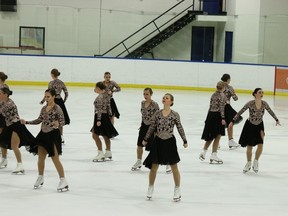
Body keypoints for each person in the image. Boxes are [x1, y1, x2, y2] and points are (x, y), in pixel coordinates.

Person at [143, 93, 188, 202]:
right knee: (154, 167)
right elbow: (152, 127)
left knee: (174, 167)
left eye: (166, 98)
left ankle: (177, 189)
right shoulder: (157, 114)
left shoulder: (175, 114)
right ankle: (150, 187)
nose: (164, 99)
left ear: (171, 102)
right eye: (163, 97)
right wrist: (145, 138)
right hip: (158, 142)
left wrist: (184, 140)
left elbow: (180, 127)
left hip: (170, 142)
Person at [21, 89, 69, 191]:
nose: (46, 99)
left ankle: (63, 180)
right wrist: (27, 122)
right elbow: (39, 120)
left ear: (53, 97)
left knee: (55, 159)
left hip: (53, 135)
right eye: (45, 97)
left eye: (48, 97)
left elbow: (63, 121)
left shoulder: (57, 108)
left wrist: (58, 124)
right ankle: (40, 177)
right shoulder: (43, 108)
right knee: (40, 158)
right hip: (43, 135)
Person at [229, 88, 280, 173]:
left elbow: (270, 111)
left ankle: (256, 161)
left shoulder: (264, 103)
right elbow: (240, 111)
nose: (261, 93)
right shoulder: (250, 103)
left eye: (262, 92)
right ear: (255, 94)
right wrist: (232, 121)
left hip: (260, 125)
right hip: (250, 125)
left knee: (260, 144)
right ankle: (248, 163)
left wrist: (276, 119)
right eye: (260, 92)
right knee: (250, 146)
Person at [131, 88, 171, 173]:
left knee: (157, 147)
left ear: (151, 94)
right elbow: (143, 115)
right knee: (139, 144)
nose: (145, 96)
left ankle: (167, 162)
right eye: (144, 94)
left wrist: (157, 129)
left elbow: (159, 116)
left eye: (147, 94)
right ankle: (139, 161)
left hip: (153, 128)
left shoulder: (154, 104)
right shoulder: (142, 103)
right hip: (144, 126)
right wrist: (142, 125)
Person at [0, 87, 35, 174]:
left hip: (15, 126)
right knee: (2, 142)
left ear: (5, 94)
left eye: (0, 93)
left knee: (14, 146)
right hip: (8, 125)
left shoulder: (9, 104)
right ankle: (4, 160)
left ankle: (20, 165)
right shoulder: (3, 102)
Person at [40, 68, 70, 144]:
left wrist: (43, 101)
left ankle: (48, 135)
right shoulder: (61, 83)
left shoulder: (50, 83)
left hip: (52, 101)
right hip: (60, 101)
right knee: (60, 120)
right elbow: (66, 93)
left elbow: (48, 94)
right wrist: (63, 101)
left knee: (49, 118)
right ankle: (61, 137)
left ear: (52, 75)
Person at [199, 81, 226, 164]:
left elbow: (210, 107)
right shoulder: (222, 95)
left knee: (211, 135)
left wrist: (207, 118)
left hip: (211, 115)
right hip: (218, 116)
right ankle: (214, 154)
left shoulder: (213, 95)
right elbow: (221, 107)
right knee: (218, 135)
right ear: (223, 87)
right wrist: (223, 118)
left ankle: (203, 152)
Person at [91, 82, 119, 162]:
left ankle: (100, 153)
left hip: (100, 117)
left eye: (96, 88)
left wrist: (99, 120)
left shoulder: (100, 97)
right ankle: (108, 152)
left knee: (95, 135)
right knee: (105, 135)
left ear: (99, 89)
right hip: (106, 116)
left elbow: (99, 110)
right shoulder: (107, 96)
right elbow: (109, 107)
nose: (95, 89)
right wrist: (109, 115)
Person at [221, 73, 243, 149]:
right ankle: (230, 141)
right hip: (226, 107)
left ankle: (216, 142)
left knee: (220, 123)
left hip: (218, 107)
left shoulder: (219, 86)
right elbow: (235, 98)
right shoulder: (229, 87)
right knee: (231, 122)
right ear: (228, 80)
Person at [0, 72, 9, 167]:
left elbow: (5, 100)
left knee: (2, 132)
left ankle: (4, 157)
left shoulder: (4, 87)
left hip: (2, 113)